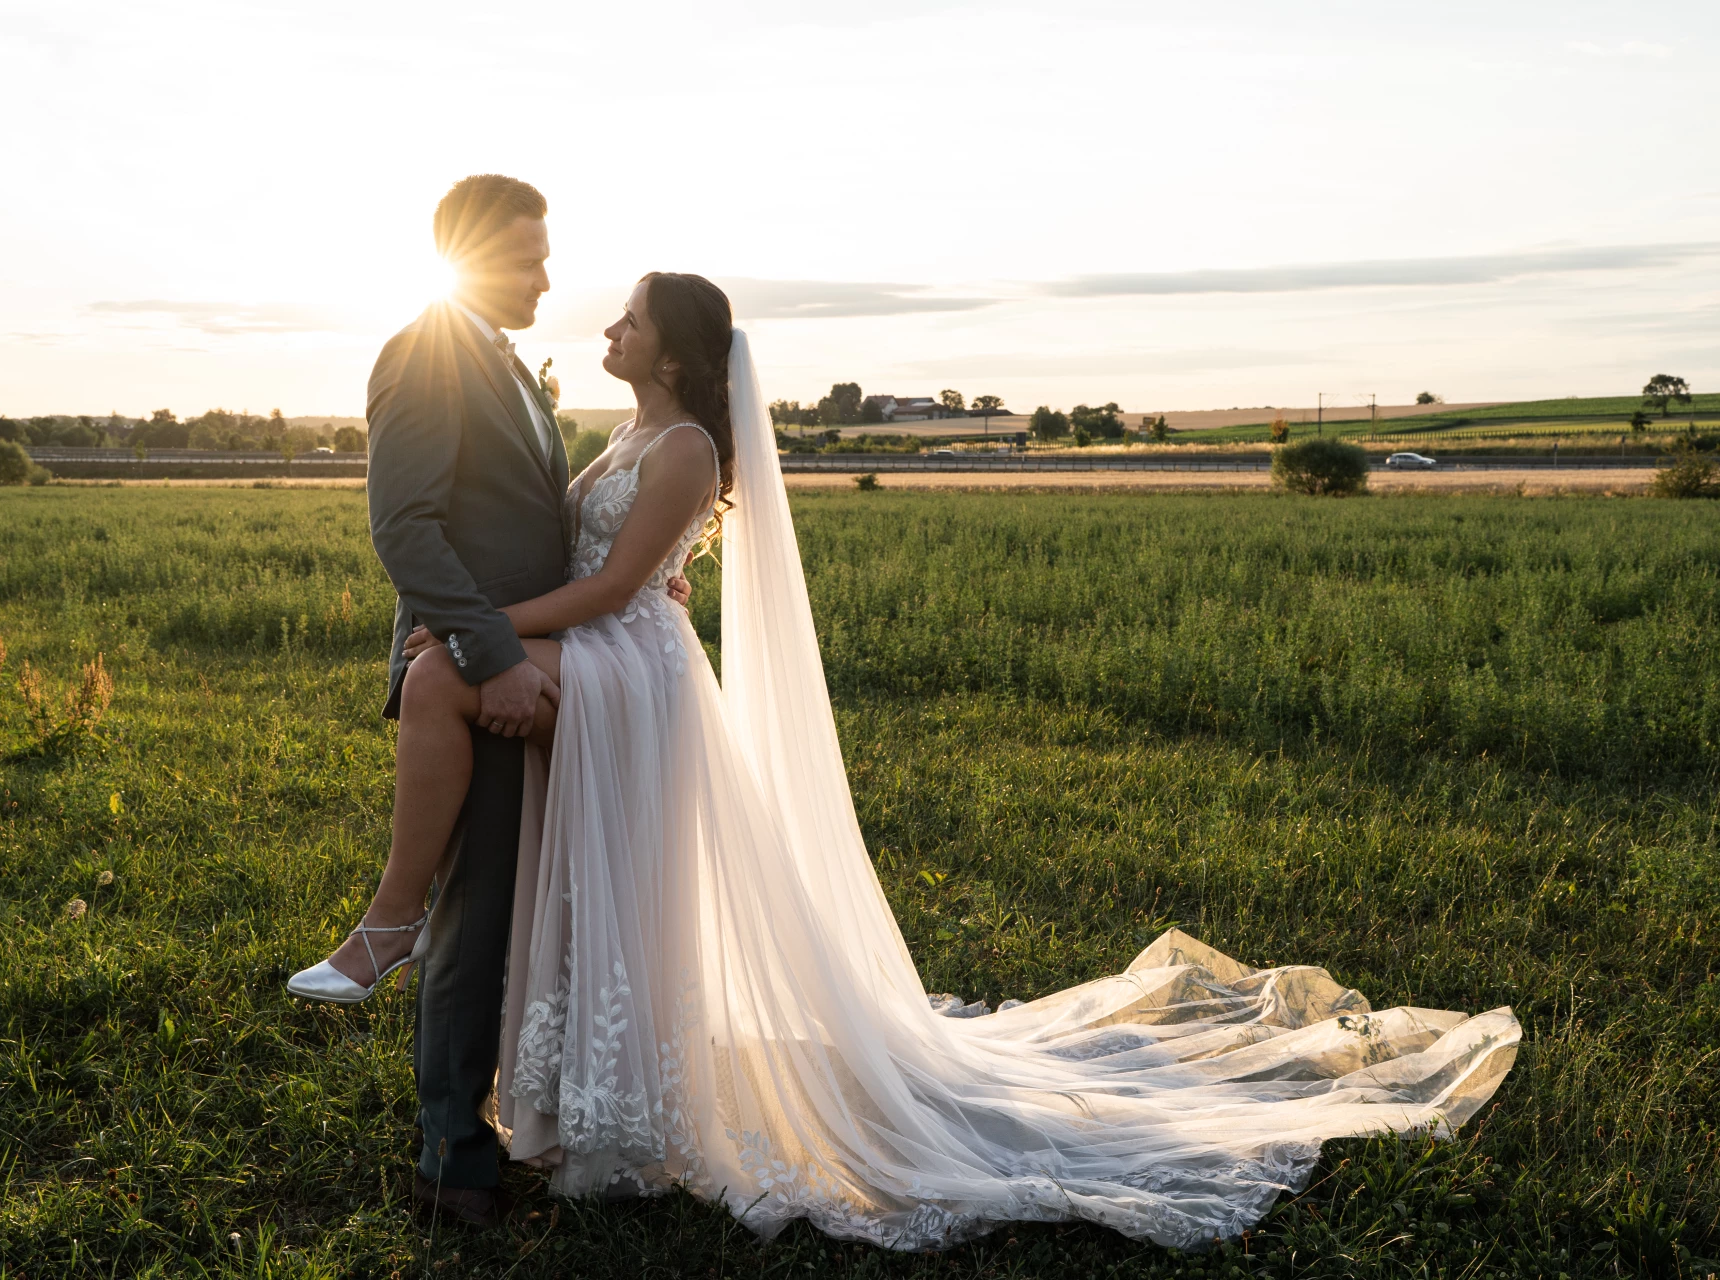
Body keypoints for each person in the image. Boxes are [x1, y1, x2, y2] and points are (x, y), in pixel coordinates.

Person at [314, 259, 1524, 1251]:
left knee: (445, 685)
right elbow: (589, 550)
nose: (609, 324)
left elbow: (620, 582)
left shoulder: (679, 445)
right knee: (579, 863)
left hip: (628, 658)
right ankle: (468, 991)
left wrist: (478, 629)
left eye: (631, 315)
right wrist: (496, 620)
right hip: (609, 651)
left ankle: (402, 922)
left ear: (675, 351)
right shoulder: (632, 435)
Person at [283, 175, 685, 1227]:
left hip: (538, 657)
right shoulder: (425, 352)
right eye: (528, 259)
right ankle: (453, 1160)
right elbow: (407, 529)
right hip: (487, 669)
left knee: (510, 902)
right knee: (474, 909)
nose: (547, 278)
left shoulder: (506, 366)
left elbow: (537, 522)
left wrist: (643, 576)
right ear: (467, 254)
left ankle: (496, 1115)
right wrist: (495, 649)